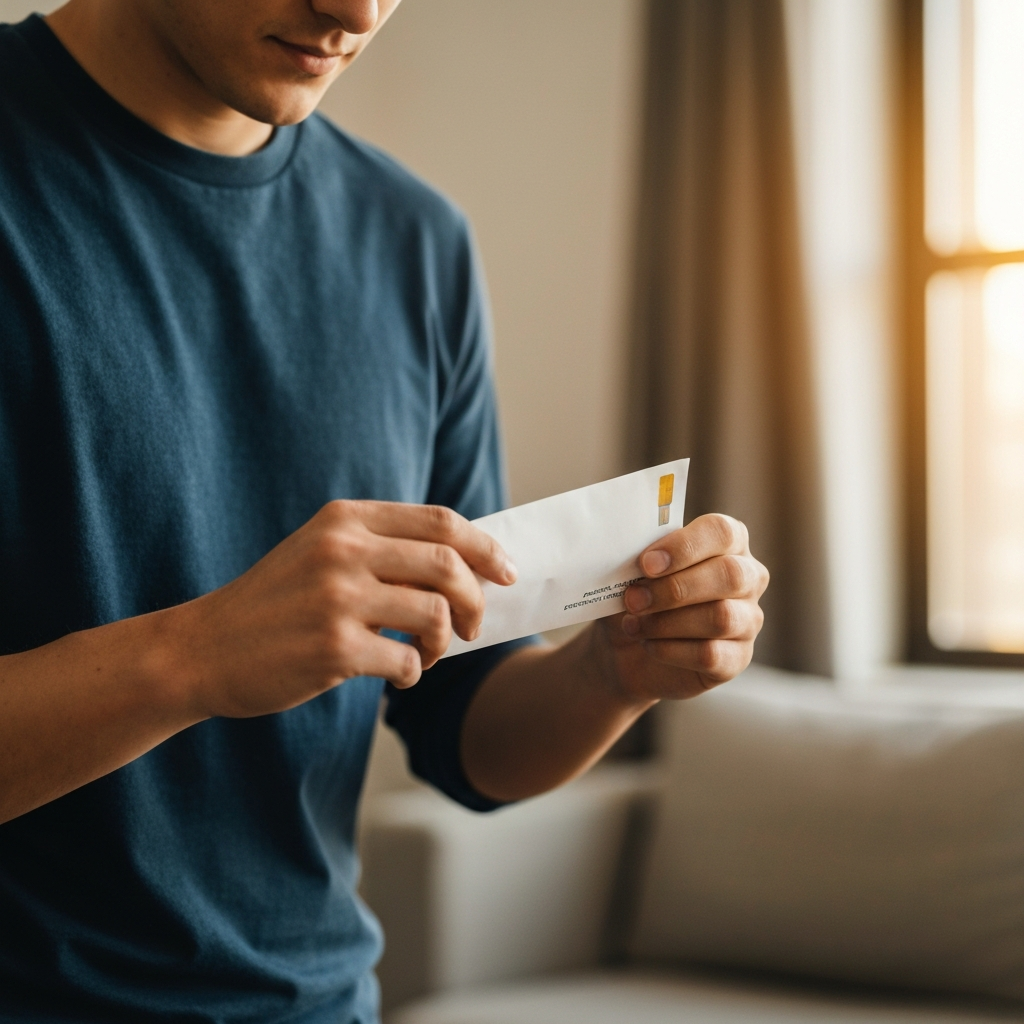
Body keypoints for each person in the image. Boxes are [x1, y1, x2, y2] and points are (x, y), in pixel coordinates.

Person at [0, 0, 769, 1020]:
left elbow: (467, 732)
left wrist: (612, 668)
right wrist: (198, 655)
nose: (355, 12)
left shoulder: (416, 241)